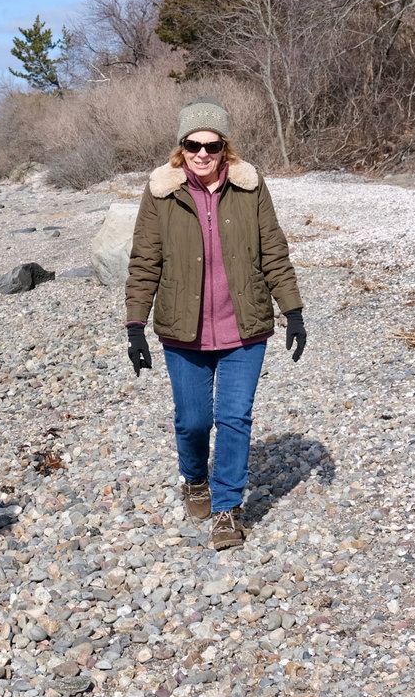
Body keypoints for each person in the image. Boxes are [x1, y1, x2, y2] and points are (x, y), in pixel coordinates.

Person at [125, 96, 306, 550]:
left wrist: (294, 311)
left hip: (244, 325)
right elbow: (144, 261)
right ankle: (194, 478)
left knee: (234, 417)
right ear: (180, 147)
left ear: (225, 148)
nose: (202, 154)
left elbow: (273, 251)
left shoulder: (250, 188)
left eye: (212, 145)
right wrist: (134, 325)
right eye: (192, 145)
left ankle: (227, 509)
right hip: (181, 329)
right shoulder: (161, 193)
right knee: (192, 421)